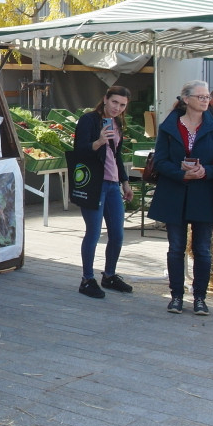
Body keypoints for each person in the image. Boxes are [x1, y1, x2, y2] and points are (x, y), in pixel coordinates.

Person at [148, 81, 213, 315]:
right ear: (186, 99)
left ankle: (200, 298)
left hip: (203, 195)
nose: (206, 100)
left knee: (202, 249)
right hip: (174, 192)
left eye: (207, 97)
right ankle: (176, 296)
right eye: (201, 97)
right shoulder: (169, 126)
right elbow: (161, 161)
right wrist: (181, 173)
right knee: (175, 248)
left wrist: (207, 171)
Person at [74, 87, 135, 299]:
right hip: (94, 184)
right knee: (93, 232)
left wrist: (125, 182)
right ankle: (87, 279)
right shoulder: (89, 120)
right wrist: (98, 141)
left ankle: (109, 275)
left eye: (123, 105)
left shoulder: (117, 123)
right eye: (115, 102)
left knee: (117, 233)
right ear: (105, 99)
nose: (117, 108)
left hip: (112, 184)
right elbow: (79, 150)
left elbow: (116, 155)